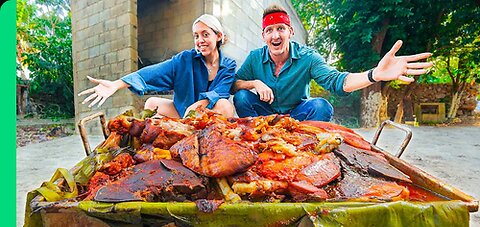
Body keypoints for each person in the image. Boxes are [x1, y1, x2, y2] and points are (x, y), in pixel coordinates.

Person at [232, 4, 433, 121]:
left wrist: (374, 75)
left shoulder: (308, 57)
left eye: (281, 28)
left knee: (322, 106)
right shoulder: (254, 57)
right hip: (264, 118)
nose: (275, 35)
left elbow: (338, 81)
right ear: (263, 36)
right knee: (242, 97)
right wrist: (255, 83)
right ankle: (257, 141)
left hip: (297, 115)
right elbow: (234, 85)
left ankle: (304, 149)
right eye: (269, 30)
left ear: (290, 32)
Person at [79, 14, 236, 118]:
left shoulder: (228, 65)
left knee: (225, 106)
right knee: (151, 103)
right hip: (182, 111)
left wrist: (196, 108)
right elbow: (153, 72)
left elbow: (220, 92)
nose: (200, 40)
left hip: (207, 115)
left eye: (205, 34)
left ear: (219, 36)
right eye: (196, 36)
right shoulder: (185, 59)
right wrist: (116, 84)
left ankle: (202, 138)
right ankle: (177, 133)